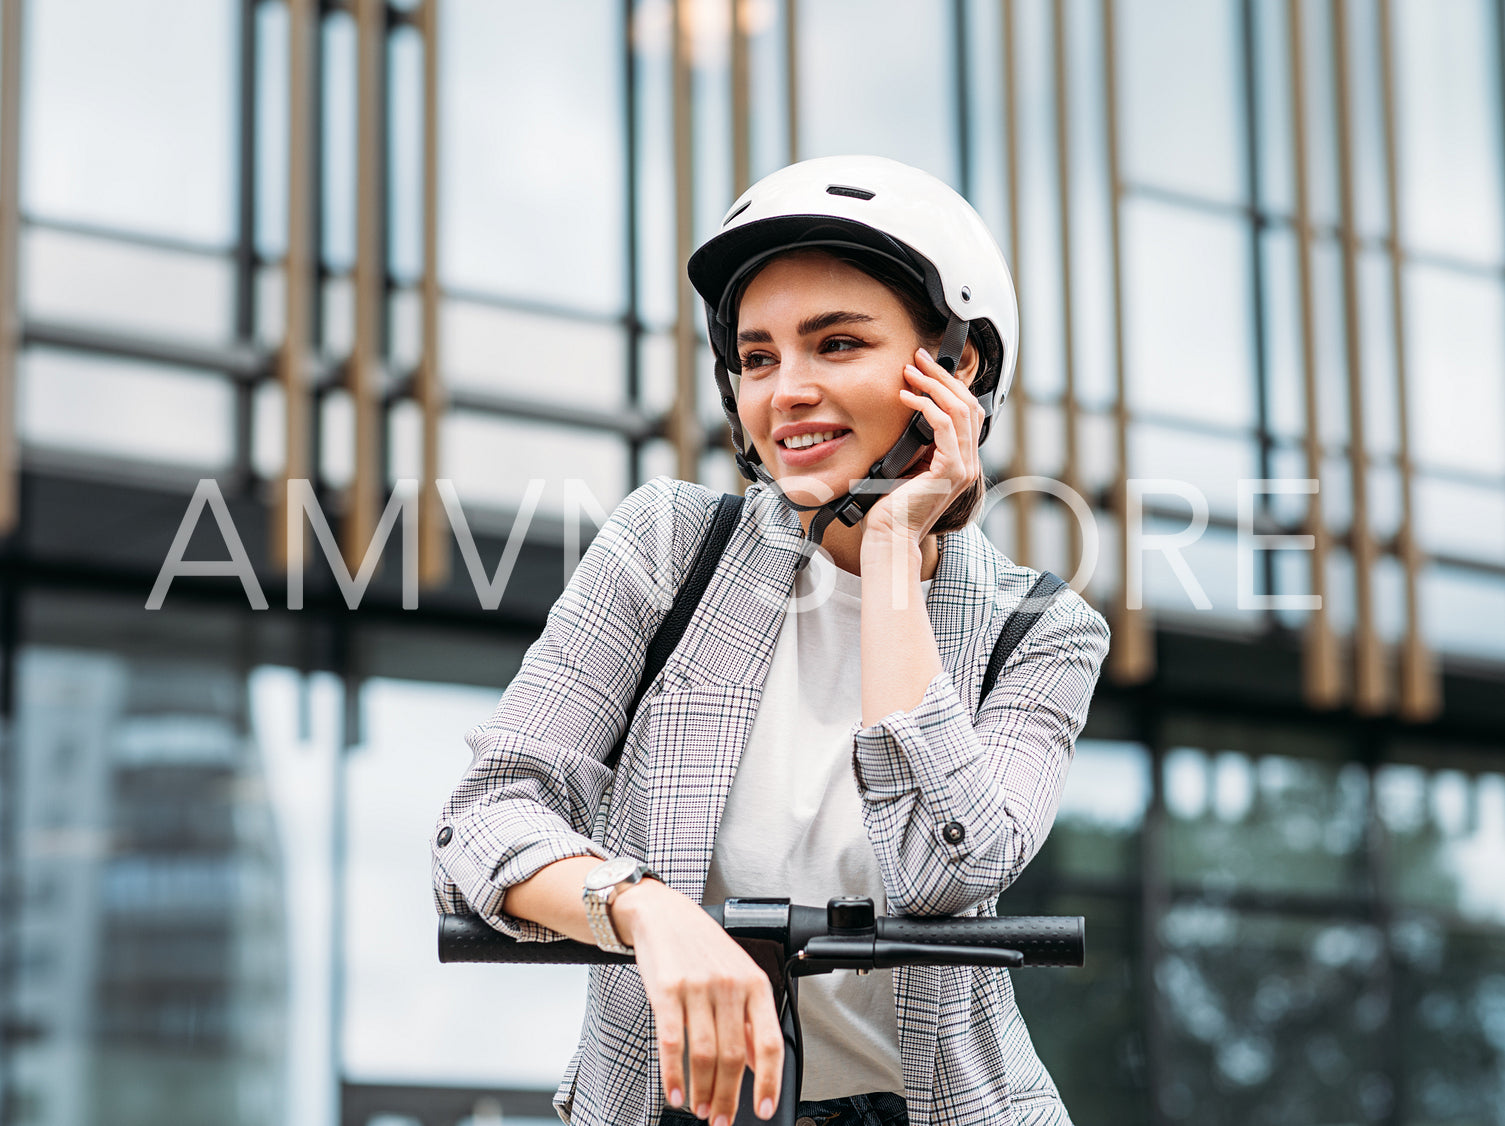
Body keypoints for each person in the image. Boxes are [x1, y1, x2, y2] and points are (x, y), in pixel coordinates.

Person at [432, 155, 1111, 1126]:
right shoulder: (666, 545)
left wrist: (889, 549)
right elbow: (483, 820)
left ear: (956, 369)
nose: (785, 389)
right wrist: (646, 910)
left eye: (835, 344)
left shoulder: (1040, 629)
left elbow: (938, 870)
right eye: (757, 357)